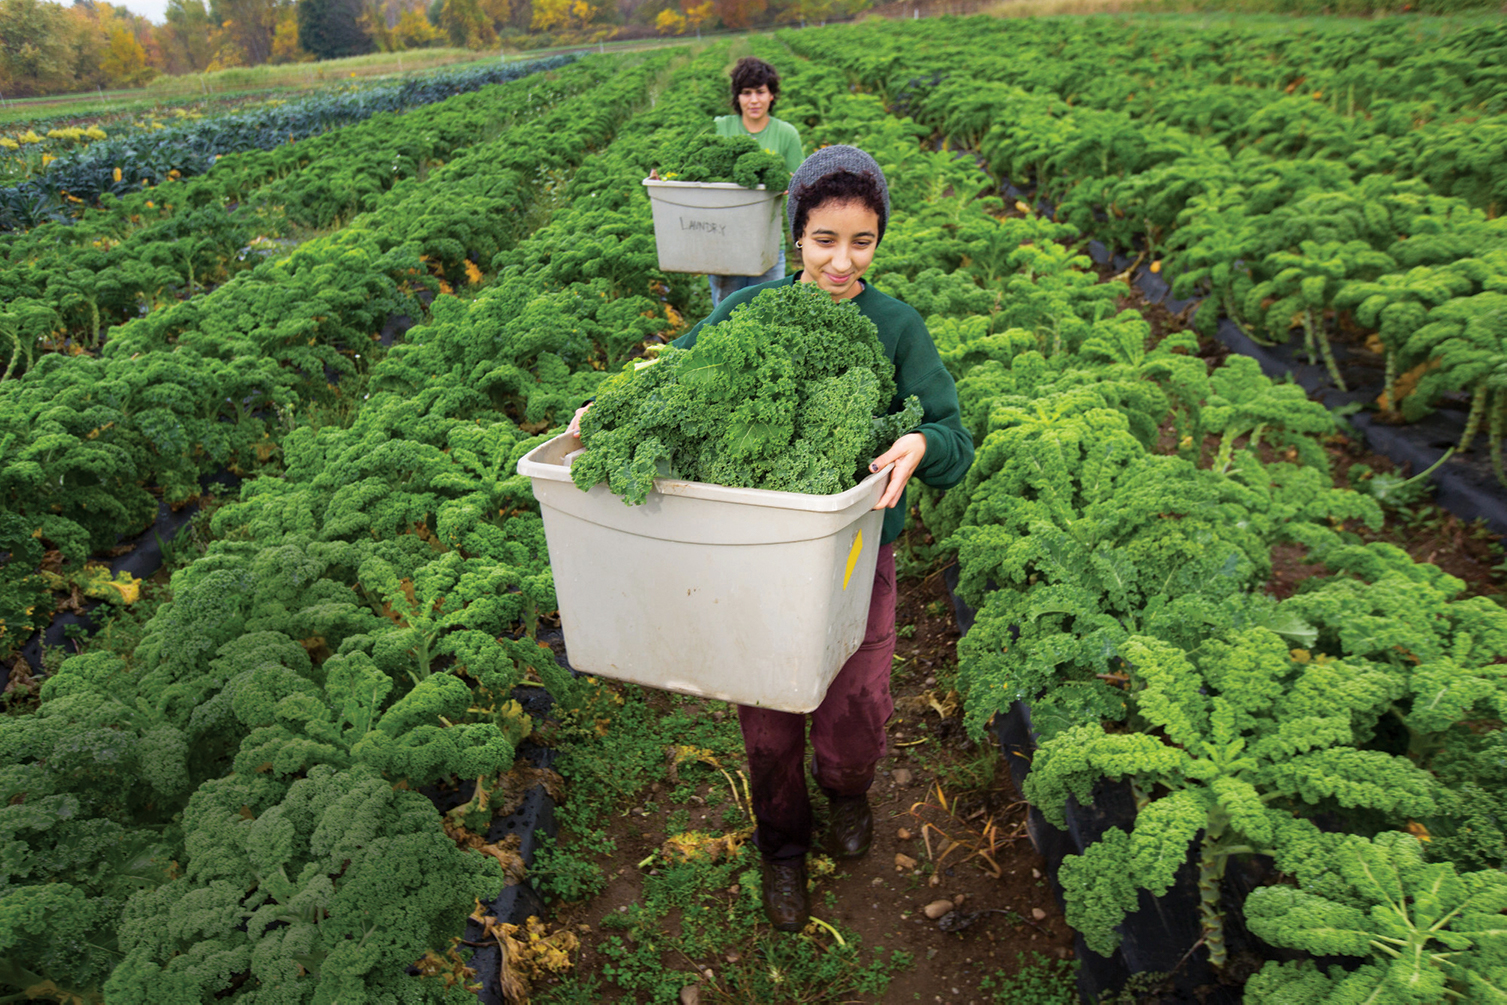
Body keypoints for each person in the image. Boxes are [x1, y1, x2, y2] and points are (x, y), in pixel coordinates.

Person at [569, 145, 974, 931]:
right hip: (755, 561)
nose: (839, 259)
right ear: (796, 236)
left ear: (879, 242)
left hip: (859, 558)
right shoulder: (746, 311)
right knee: (766, 724)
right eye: (823, 238)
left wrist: (923, 443)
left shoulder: (895, 326)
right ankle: (782, 849)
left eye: (860, 242)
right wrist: (605, 408)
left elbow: (952, 435)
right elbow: (668, 375)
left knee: (856, 707)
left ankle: (848, 792)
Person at [707, 57, 805, 309]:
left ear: (771, 95)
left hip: (768, 243)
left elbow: (801, 185)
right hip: (724, 241)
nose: (753, 100)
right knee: (725, 313)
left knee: (768, 310)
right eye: (746, 93)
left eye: (760, 92)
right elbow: (693, 168)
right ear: (737, 97)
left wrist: (790, 185)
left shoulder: (786, 134)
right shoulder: (720, 128)